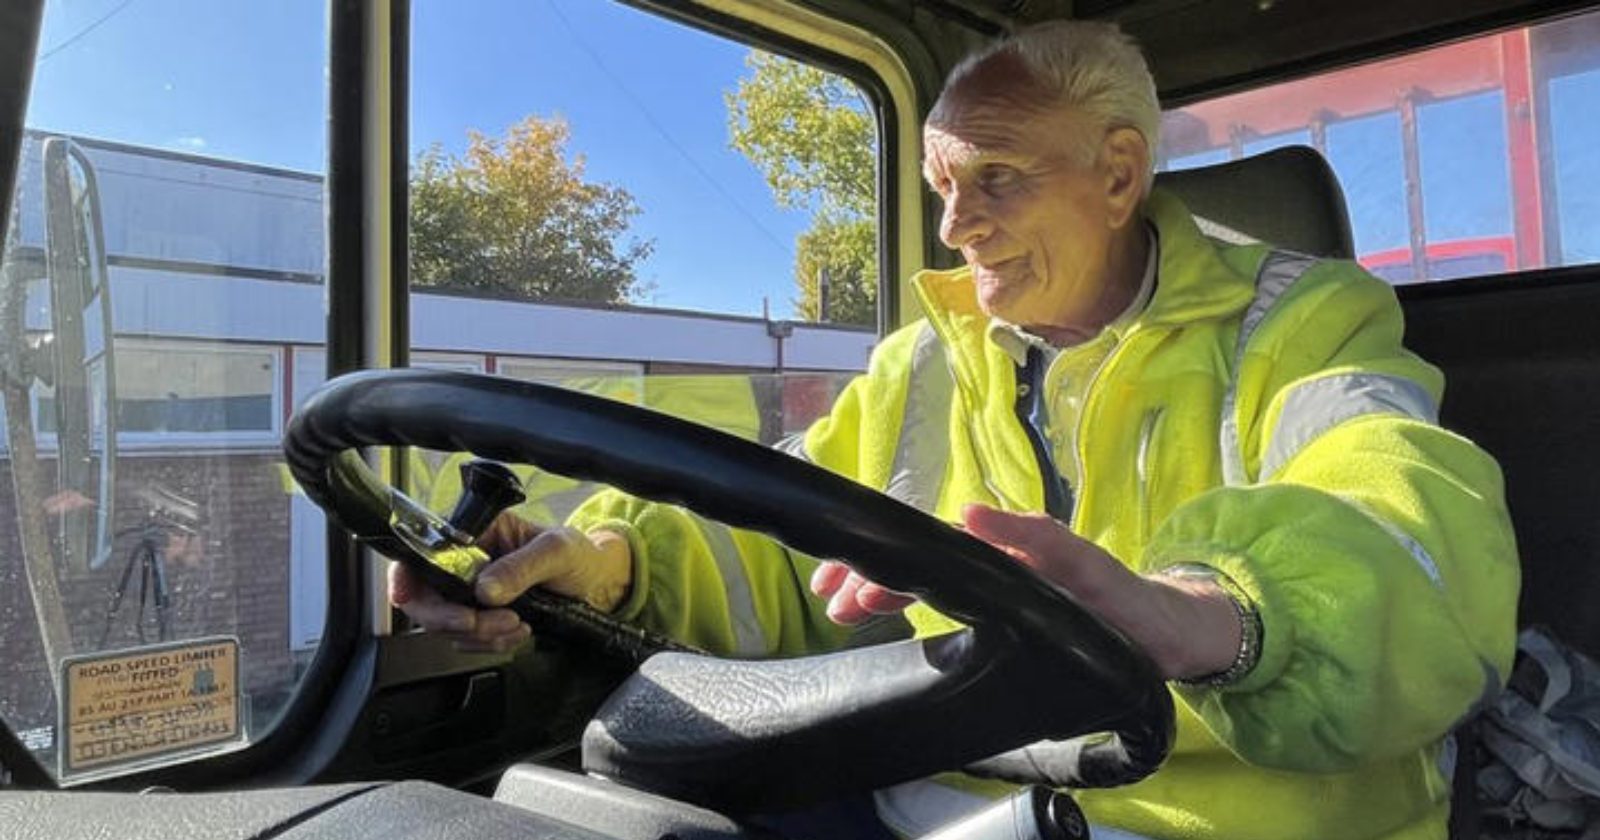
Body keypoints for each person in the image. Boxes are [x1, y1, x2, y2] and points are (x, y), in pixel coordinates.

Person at [391, 20, 1520, 840]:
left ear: (1119, 173)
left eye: (996, 179)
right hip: (941, 804)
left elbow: (1400, 516)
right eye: (940, 185)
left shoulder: (1307, 322)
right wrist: (600, 560)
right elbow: (781, 539)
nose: (955, 224)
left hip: (1227, 818)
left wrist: (1204, 617)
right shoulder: (926, 359)